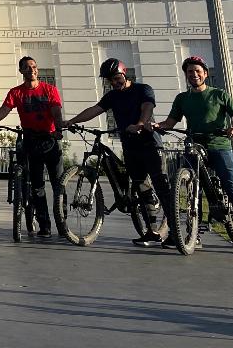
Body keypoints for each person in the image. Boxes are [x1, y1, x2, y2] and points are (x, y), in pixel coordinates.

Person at [155, 54, 233, 255]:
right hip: (194, 145)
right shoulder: (182, 99)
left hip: (219, 146)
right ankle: (192, 234)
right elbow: (170, 123)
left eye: (197, 71)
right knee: (192, 189)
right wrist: (156, 126)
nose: (193, 74)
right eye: (189, 72)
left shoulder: (219, 95)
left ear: (205, 74)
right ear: (186, 75)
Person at [64, 58, 173, 246]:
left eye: (116, 78)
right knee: (140, 186)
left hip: (150, 145)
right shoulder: (112, 96)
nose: (114, 83)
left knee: (161, 188)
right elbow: (95, 110)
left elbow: (147, 107)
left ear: (124, 74)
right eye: (110, 80)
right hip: (130, 146)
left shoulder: (143, 89)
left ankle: (175, 232)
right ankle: (151, 232)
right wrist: (72, 121)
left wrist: (139, 125)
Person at [0, 55, 64, 238]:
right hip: (31, 140)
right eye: (27, 68)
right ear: (21, 71)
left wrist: (58, 129)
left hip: (50, 140)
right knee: (37, 186)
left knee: (58, 184)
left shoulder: (49, 90)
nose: (32, 70)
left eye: (34, 67)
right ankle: (44, 225)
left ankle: (62, 222)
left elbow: (56, 111)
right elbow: (5, 109)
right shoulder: (16, 92)